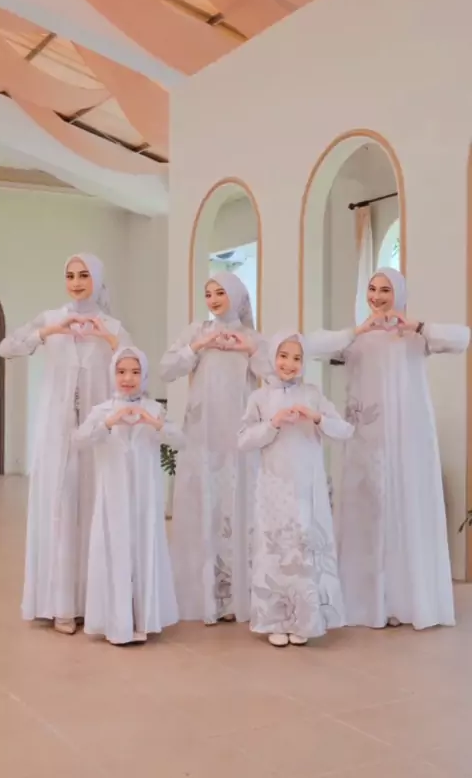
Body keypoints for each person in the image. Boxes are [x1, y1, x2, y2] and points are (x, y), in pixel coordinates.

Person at [0, 253, 131, 634]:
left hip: (97, 433)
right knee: (60, 503)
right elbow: (7, 347)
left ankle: (93, 600)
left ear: (97, 279)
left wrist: (108, 339)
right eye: (70, 275)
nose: (76, 282)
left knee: (92, 504)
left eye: (84, 275)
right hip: (55, 432)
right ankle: (60, 604)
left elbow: (133, 368)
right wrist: (49, 332)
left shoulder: (113, 326)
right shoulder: (51, 319)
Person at [335, 267, 470, 630]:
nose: (377, 296)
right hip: (366, 442)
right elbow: (312, 346)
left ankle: (403, 601)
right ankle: (367, 603)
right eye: (372, 289)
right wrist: (357, 330)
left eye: (385, 290)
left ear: (398, 295)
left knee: (403, 511)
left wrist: (418, 326)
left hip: (407, 440)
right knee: (369, 514)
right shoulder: (357, 340)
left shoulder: (414, 337)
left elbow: (463, 338)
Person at [159, 272, 268, 625]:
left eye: (221, 292)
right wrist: (198, 346)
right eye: (208, 293)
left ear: (237, 295)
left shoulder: (252, 337)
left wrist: (247, 348)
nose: (214, 299)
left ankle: (237, 595)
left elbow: (275, 373)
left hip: (238, 435)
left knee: (237, 501)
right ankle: (199, 593)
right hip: (202, 435)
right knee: (203, 500)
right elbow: (165, 369)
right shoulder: (197, 331)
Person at [238, 332, 352, 647]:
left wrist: (316, 418)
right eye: (283, 356)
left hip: (307, 488)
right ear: (272, 357)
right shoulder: (259, 398)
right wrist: (272, 423)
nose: (289, 363)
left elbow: (344, 430)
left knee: (303, 547)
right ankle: (275, 619)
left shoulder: (312, 394)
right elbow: (243, 440)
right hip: (273, 488)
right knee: (275, 548)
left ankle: (304, 620)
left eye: (297, 358)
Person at [74, 347, 183, 645]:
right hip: (113, 496)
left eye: (135, 372)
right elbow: (80, 440)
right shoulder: (102, 410)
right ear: (113, 373)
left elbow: (180, 440)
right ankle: (116, 621)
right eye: (121, 372)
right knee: (115, 548)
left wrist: (154, 423)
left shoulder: (154, 409)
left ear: (144, 375)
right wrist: (109, 423)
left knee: (143, 547)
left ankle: (143, 618)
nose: (128, 378)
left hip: (145, 497)